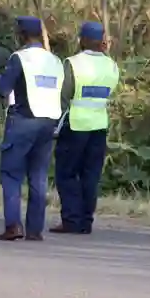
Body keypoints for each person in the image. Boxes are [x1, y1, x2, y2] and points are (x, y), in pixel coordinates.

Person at [0, 16, 64, 241]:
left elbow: (4, 88)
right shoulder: (55, 60)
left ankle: (13, 225)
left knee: (12, 175)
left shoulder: (19, 58)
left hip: (23, 120)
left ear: (22, 35)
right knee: (38, 176)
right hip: (48, 122)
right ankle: (35, 229)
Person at [50, 21, 119, 235]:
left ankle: (71, 220)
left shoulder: (73, 63)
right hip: (99, 125)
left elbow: (64, 96)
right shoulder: (112, 65)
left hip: (76, 125)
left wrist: (55, 123)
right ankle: (86, 221)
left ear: (84, 40)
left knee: (67, 174)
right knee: (91, 175)